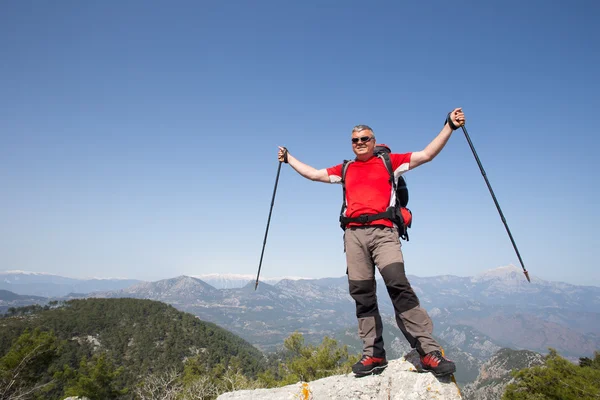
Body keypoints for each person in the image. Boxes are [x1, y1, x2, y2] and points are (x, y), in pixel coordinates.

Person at [277, 108, 466, 377]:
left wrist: (449, 125)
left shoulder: (391, 162)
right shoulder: (346, 168)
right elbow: (315, 174)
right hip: (353, 236)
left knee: (398, 285)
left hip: (383, 232)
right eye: (355, 140)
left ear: (374, 141)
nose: (360, 143)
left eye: (365, 139)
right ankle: (373, 354)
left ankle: (428, 351)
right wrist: (289, 159)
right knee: (362, 295)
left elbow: (427, 154)